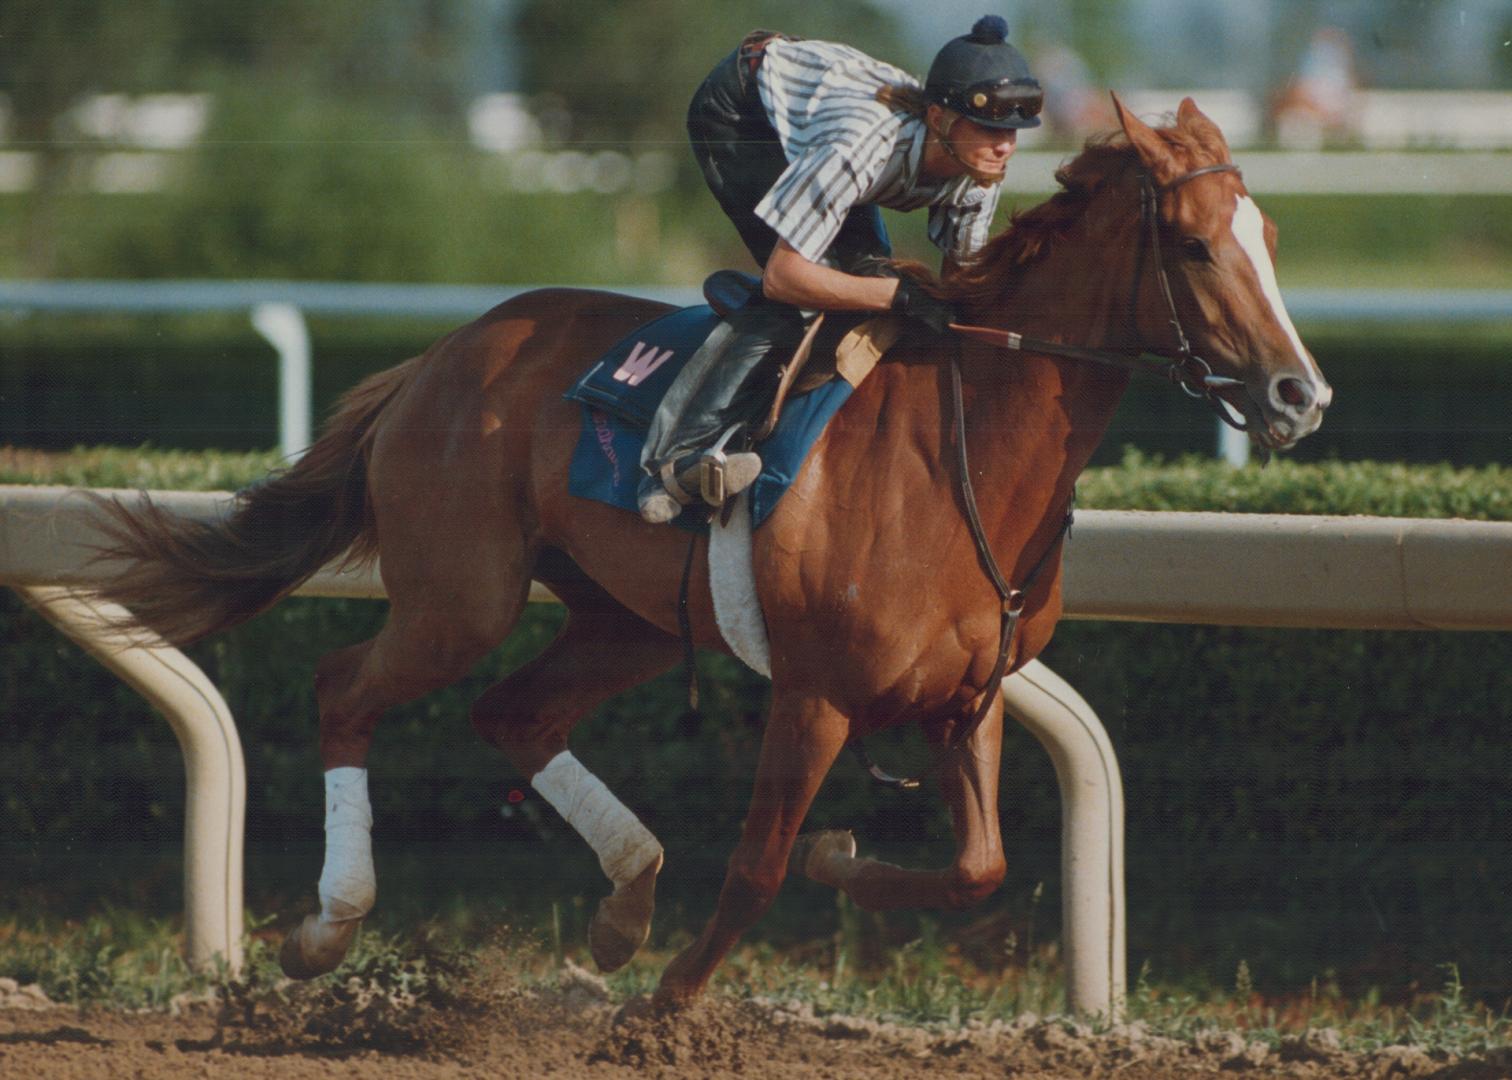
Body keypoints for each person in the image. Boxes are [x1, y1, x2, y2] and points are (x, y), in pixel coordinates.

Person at [637, 15, 1043, 524]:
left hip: (820, 125)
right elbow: (786, 276)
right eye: (988, 127)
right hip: (743, 114)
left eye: (1012, 130)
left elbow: (963, 290)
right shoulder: (860, 147)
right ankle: (674, 463)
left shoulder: (982, 167)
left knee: (872, 286)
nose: (1005, 144)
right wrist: (897, 296)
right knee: (802, 300)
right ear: (939, 119)